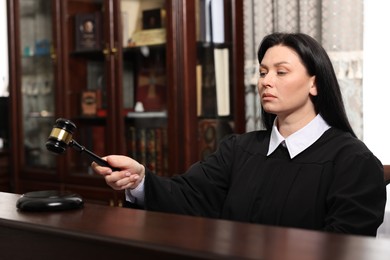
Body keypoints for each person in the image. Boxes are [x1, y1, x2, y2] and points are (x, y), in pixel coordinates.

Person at [91, 32, 386, 237]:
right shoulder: (238, 149)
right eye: (262, 72)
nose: (265, 82)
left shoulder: (353, 161)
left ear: (314, 84)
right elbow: (189, 198)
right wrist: (140, 179)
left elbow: (346, 247)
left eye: (281, 72)